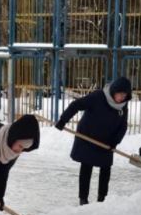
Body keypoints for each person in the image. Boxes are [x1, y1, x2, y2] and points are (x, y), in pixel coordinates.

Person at [55, 77, 131, 205]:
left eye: (125, 95)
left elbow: (123, 126)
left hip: (107, 141)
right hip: (88, 137)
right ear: (114, 91)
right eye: (120, 94)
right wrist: (63, 120)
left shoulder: (123, 106)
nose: (122, 98)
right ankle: (83, 198)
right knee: (86, 166)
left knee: (106, 169)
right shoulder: (98, 96)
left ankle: (102, 198)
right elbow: (76, 105)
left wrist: (115, 142)